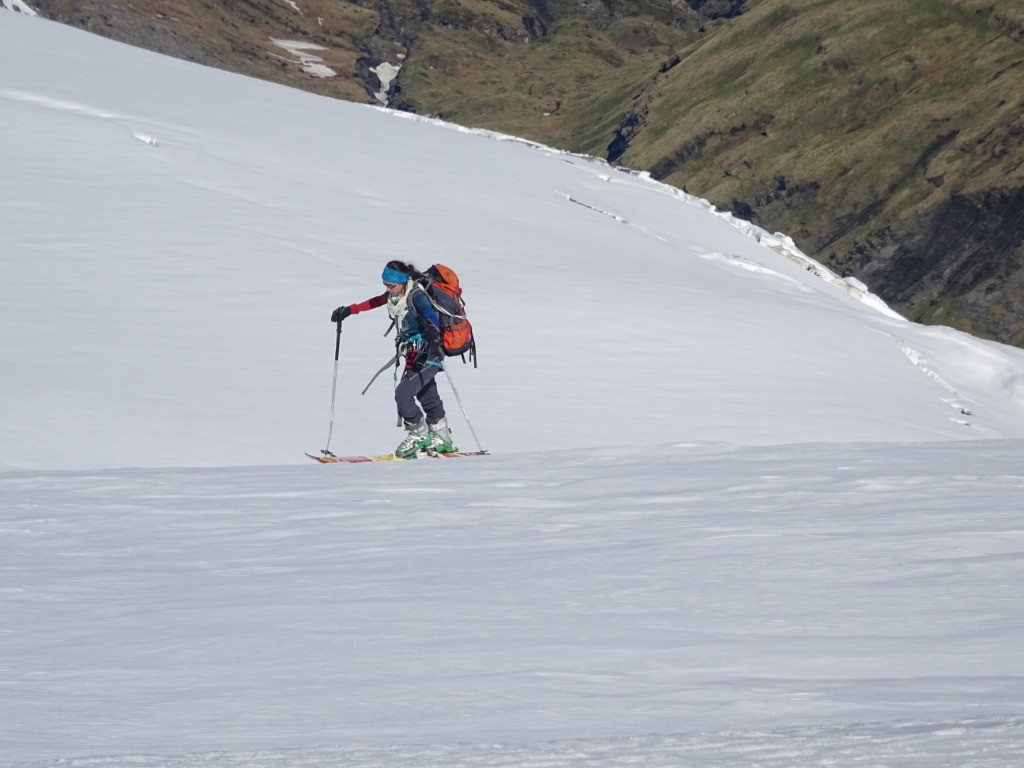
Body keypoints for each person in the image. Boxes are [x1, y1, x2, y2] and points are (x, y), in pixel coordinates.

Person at [331, 260, 455, 457]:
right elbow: (373, 302)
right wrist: (348, 310)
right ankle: (441, 437)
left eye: (392, 286)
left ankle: (419, 434)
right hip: (414, 355)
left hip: (428, 353)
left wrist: (433, 330)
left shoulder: (416, 296)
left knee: (403, 394)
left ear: (403, 281)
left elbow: (430, 314)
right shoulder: (396, 295)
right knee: (426, 394)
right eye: (386, 286)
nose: (389, 290)